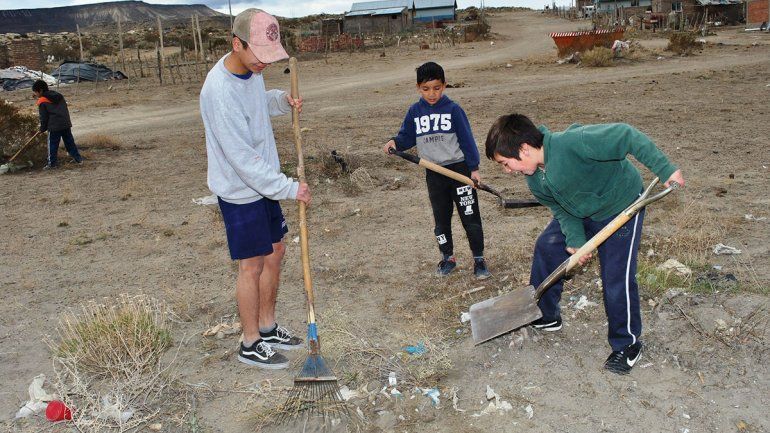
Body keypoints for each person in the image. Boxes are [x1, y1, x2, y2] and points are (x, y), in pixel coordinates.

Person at [484, 114, 685, 375]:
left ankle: (627, 344)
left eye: (505, 163)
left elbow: (626, 135)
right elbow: (561, 210)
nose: (507, 171)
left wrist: (665, 169)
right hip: (582, 211)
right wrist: (576, 242)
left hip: (621, 205)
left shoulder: (574, 143)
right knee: (547, 246)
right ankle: (546, 315)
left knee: (616, 275)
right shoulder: (535, 179)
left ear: (524, 149)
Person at [200, 8, 310, 369]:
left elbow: (255, 105)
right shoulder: (219, 90)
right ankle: (250, 342)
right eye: (259, 54)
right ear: (237, 44)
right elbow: (243, 160)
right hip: (240, 190)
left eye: (269, 55)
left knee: (275, 252)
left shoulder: (250, 72)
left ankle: (267, 326)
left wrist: (280, 100)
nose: (265, 62)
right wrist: (289, 188)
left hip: (264, 183)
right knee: (251, 264)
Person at [383, 62, 491, 280]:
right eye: (426, 89)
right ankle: (447, 257)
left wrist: (474, 168)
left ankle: (479, 259)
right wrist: (395, 142)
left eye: (437, 88)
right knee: (441, 219)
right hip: (434, 173)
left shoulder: (453, 110)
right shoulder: (415, 112)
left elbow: (467, 140)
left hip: (459, 171)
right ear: (418, 88)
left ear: (444, 85)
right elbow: (406, 137)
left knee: (470, 216)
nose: (432, 93)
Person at [32, 80, 82, 169]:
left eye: (36, 92)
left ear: (41, 90)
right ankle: (78, 159)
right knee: (69, 142)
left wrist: (42, 129)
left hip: (54, 126)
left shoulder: (42, 100)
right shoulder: (58, 95)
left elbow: (44, 117)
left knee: (53, 145)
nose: (35, 94)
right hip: (65, 123)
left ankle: (52, 164)